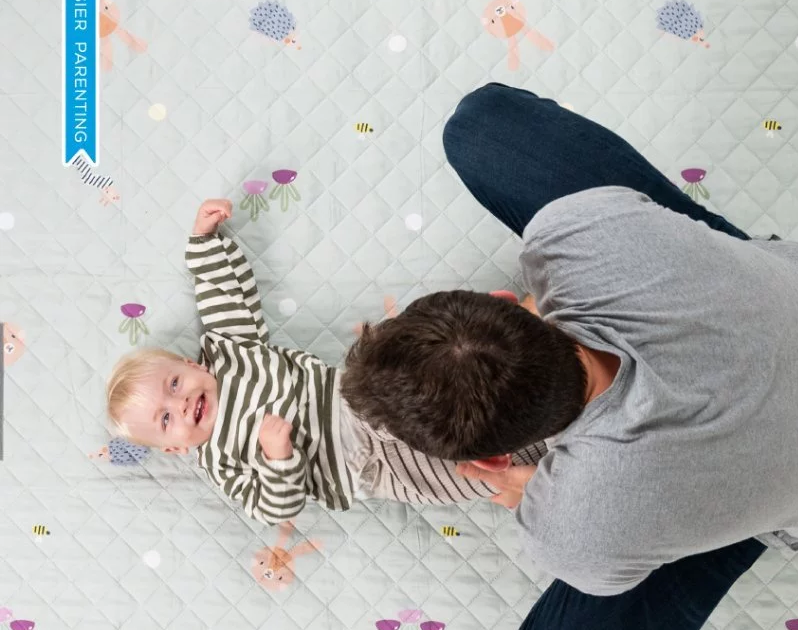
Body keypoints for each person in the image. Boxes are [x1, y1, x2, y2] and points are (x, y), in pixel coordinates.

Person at [341, 82, 798, 630]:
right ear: (508, 300)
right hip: (796, 304)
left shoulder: (571, 529)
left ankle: (734, 521)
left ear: (495, 459)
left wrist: (536, 491)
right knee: (481, 125)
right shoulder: (584, 233)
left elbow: (580, 524)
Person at [105, 198, 546, 526]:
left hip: (367, 400)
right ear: (176, 449)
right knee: (462, 474)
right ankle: (547, 459)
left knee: (450, 383)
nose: (180, 405)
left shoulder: (227, 352)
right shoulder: (219, 461)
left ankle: (537, 378)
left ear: (193, 365)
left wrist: (204, 245)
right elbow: (273, 508)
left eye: (174, 385)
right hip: (369, 469)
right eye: (166, 419)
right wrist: (277, 458)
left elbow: (223, 297)